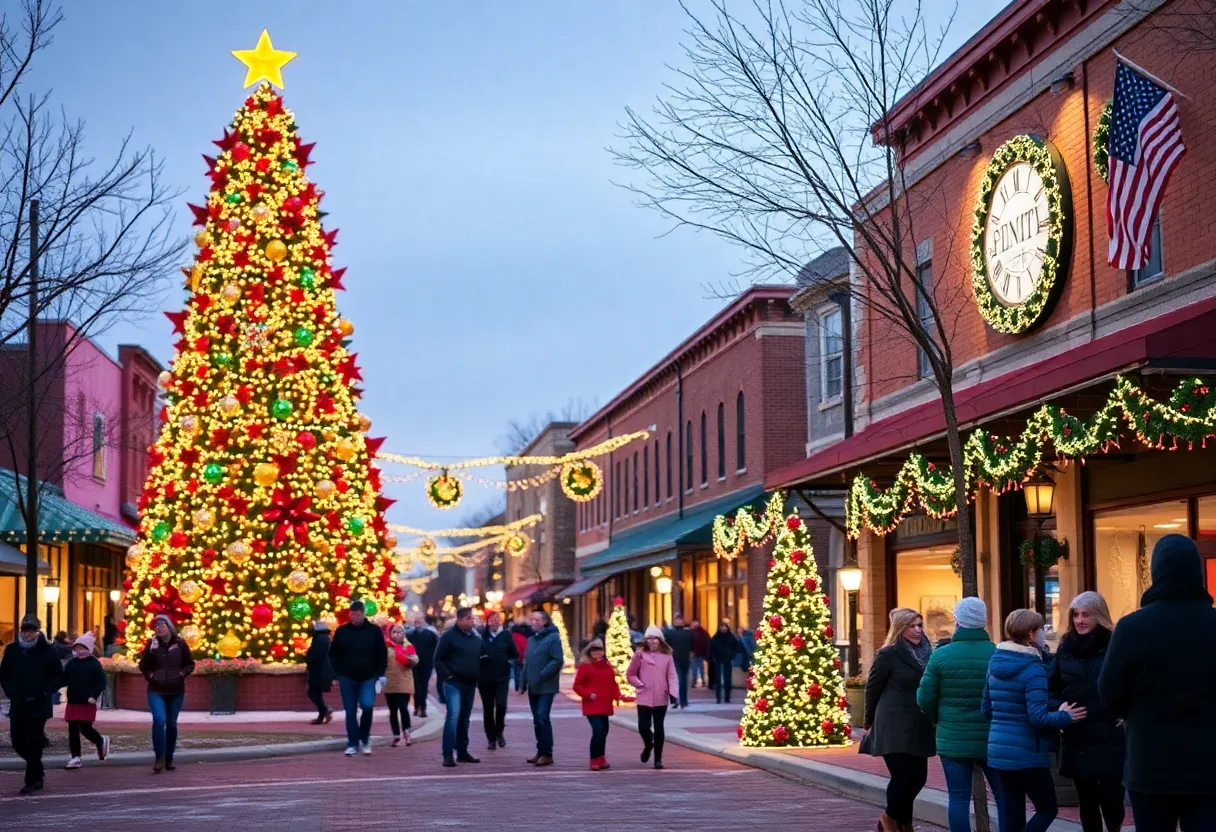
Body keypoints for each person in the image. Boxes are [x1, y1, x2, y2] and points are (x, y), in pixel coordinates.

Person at [1099, 534, 1216, 831]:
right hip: (1208, 764)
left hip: (1150, 761)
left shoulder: (1132, 627)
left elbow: (1109, 691)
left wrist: (1133, 712)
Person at [984, 608, 1084, 832]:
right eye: (1040, 630)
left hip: (998, 751)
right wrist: (1065, 716)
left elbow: (986, 708)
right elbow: (1038, 717)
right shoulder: (1034, 669)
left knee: (1013, 810)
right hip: (1028, 752)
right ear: (1030, 634)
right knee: (1047, 809)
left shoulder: (995, 663)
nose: (1043, 634)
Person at [916, 597, 1003, 832]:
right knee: (1004, 798)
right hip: (991, 736)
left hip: (953, 736)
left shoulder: (942, 655)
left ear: (958, 621)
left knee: (958, 798)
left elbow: (924, 697)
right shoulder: (997, 653)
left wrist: (940, 718)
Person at [1047, 592, 1124, 832]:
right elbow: (1052, 689)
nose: (1079, 620)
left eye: (1086, 615)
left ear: (1098, 615)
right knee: (1087, 802)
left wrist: (1127, 712)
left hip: (1112, 735)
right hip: (1078, 736)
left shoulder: (1117, 645)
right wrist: (1059, 707)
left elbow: (1135, 682)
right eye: (1076, 615)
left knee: (1112, 802)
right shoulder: (1065, 647)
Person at [863, 608, 937, 832]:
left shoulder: (929, 652)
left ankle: (900, 820)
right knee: (903, 777)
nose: (917, 630)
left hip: (919, 724)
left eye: (919, 625)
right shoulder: (888, 654)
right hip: (893, 723)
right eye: (911, 626)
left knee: (919, 778)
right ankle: (892, 819)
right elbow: (872, 689)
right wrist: (868, 723)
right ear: (899, 628)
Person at [0, 615, 63, 794]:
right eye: (25, 631)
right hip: (19, 703)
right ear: (21, 632)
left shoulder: (48, 651)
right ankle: (38, 768)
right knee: (17, 740)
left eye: (32, 631)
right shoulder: (12, 650)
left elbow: (58, 675)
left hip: (39, 703)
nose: (28, 634)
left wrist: (45, 691)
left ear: (37, 632)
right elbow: (4, 675)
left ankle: (32, 780)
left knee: (35, 740)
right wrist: (12, 692)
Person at [328, 600, 388, 757]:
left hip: (368, 677)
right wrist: (337, 673)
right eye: (353, 614)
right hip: (347, 677)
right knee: (350, 711)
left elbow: (382, 653)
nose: (356, 616)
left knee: (368, 706)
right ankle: (353, 743)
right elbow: (333, 654)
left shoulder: (374, 631)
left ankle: (364, 738)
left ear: (363, 613)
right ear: (350, 614)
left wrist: (380, 674)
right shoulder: (342, 631)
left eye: (359, 613)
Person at [138, 614, 196, 773]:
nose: (159, 628)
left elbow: (190, 664)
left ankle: (169, 757)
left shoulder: (179, 644)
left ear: (169, 627)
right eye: (156, 626)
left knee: (171, 724)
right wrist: (150, 672)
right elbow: (143, 665)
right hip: (156, 689)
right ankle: (159, 758)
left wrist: (181, 674)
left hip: (176, 690)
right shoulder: (151, 644)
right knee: (159, 720)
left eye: (162, 625)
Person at [434, 606, 485, 767]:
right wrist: (448, 675)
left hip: (470, 684)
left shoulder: (476, 638)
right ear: (460, 619)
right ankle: (447, 754)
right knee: (453, 717)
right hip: (453, 683)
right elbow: (438, 659)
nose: (473, 621)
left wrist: (480, 675)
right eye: (470, 618)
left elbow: (482, 657)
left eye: (473, 618)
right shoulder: (448, 636)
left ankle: (462, 751)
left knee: (464, 719)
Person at [627, 625, 679, 770]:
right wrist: (640, 684)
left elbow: (672, 676)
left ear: (660, 640)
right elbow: (631, 674)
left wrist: (673, 693)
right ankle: (648, 744)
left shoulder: (667, 656)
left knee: (659, 728)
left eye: (654, 638)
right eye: (648, 638)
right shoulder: (640, 654)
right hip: (644, 696)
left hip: (660, 697)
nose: (651, 641)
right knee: (643, 727)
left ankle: (658, 758)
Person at [62, 632, 109, 770]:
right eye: (77, 648)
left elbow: (101, 682)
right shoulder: (71, 664)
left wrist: (94, 696)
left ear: (89, 649)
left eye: (83, 649)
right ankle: (75, 757)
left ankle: (99, 740)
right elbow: (64, 679)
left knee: (85, 728)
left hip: (87, 702)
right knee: (73, 729)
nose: (80, 652)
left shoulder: (94, 664)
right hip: (73, 701)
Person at [523, 609, 564, 767]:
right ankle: (540, 751)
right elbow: (527, 660)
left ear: (545, 622)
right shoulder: (532, 639)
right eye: (532, 620)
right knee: (537, 720)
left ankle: (547, 753)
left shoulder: (553, 638)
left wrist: (543, 674)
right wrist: (523, 680)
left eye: (538, 620)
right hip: (533, 686)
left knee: (542, 716)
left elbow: (557, 660)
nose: (534, 623)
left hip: (546, 685)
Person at [572, 638, 620, 771]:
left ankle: (601, 757)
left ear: (603, 652)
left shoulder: (608, 666)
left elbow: (612, 683)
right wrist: (588, 694)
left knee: (604, 731)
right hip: (592, 705)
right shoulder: (585, 666)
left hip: (605, 704)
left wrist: (616, 695)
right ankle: (594, 759)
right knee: (598, 730)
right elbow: (577, 686)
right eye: (594, 650)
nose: (597, 653)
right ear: (589, 652)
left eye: (599, 650)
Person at [478, 610, 518, 751]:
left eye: (497, 619)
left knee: (501, 706)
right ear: (487, 621)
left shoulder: (506, 635)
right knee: (488, 710)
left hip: (502, 677)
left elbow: (514, 653)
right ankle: (491, 738)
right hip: (485, 678)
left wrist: (508, 661)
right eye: (492, 619)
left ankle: (500, 731)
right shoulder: (481, 635)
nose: (495, 622)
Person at [384, 623, 419, 747]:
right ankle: (396, 735)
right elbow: (381, 663)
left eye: (399, 632)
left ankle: (407, 733)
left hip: (404, 682)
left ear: (403, 634)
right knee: (393, 710)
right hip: (390, 683)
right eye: (394, 632)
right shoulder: (386, 647)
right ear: (390, 634)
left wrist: (409, 659)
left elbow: (415, 660)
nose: (397, 634)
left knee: (403, 708)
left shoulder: (408, 646)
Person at [407, 614, 439, 717]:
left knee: (424, 685)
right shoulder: (410, 634)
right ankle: (417, 707)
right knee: (416, 685)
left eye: (419, 620)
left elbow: (436, 648)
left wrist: (434, 661)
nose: (418, 622)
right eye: (416, 621)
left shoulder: (430, 634)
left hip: (427, 663)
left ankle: (423, 707)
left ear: (423, 621)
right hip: (414, 663)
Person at [305, 620, 335, 725]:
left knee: (313, 691)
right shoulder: (323, 638)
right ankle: (323, 713)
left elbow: (317, 654)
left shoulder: (320, 639)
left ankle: (324, 711)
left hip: (320, 670)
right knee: (315, 692)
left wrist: (308, 657)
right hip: (321, 670)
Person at [664, 614, 693, 708]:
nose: (679, 622)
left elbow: (692, 644)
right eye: (677, 620)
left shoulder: (688, 633)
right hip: (675, 659)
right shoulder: (670, 632)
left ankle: (683, 701)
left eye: (680, 620)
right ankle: (677, 700)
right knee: (678, 680)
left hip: (685, 659)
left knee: (683, 681)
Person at [708, 621, 739, 704]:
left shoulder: (731, 637)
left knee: (727, 680)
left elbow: (736, 647)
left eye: (725, 627)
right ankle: (718, 698)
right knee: (718, 680)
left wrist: (732, 655)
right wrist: (713, 657)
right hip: (718, 661)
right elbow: (711, 649)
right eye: (722, 627)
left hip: (727, 660)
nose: (723, 628)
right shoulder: (715, 637)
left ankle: (727, 697)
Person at [510, 617, 530, 693]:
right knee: (523, 672)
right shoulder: (523, 637)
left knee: (516, 673)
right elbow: (524, 647)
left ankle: (517, 687)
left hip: (514, 657)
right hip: (522, 657)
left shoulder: (511, 636)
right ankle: (523, 686)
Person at [689, 619, 709, 688]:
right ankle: (695, 681)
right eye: (694, 623)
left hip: (700, 653)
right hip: (694, 653)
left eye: (696, 623)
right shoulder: (691, 632)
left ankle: (701, 681)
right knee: (695, 668)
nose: (695, 624)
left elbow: (707, 642)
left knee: (700, 668)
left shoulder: (702, 632)